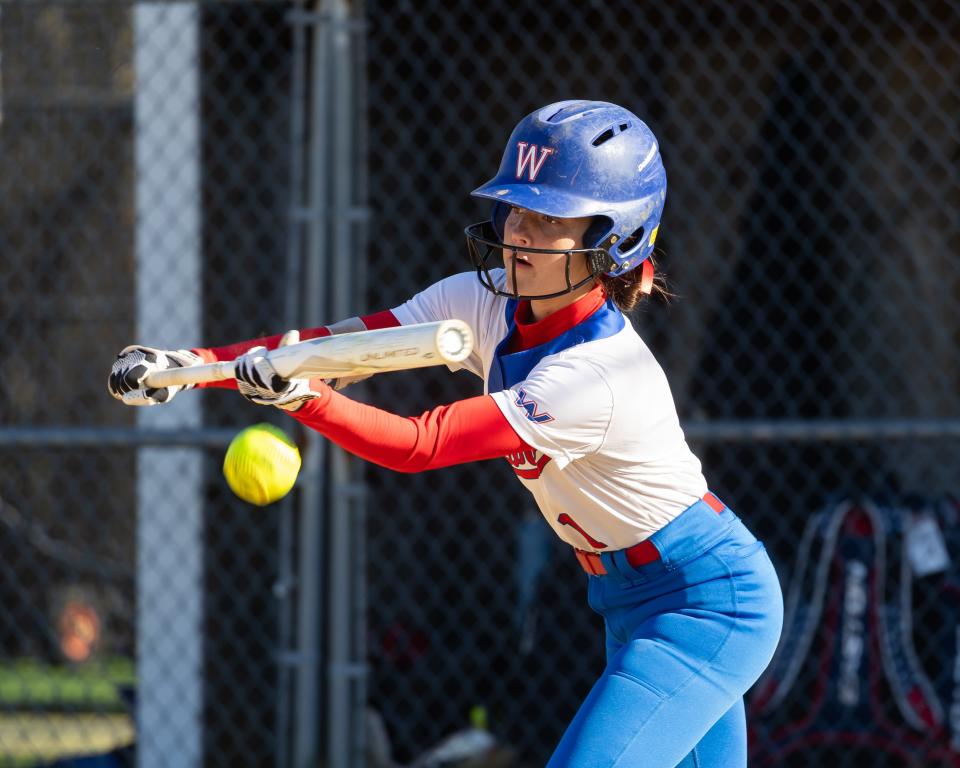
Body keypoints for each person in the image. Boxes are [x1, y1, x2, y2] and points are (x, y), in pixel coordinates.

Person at [109, 100, 784, 767]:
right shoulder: (486, 301)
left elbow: (421, 443)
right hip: (629, 595)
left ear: (615, 239)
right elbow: (344, 349)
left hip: (708, 601)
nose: (520, 229)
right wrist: (197, 366)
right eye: (516, 208)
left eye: (550, 218)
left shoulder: (598, 375)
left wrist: (303, 400)